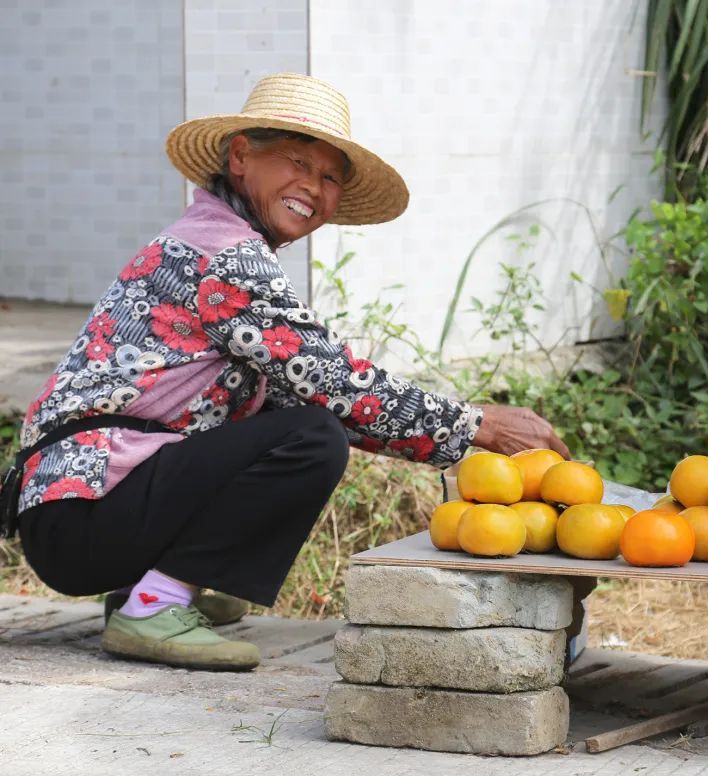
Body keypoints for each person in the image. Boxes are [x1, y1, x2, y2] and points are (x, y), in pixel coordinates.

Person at [6, 73, 570, 672]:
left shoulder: (218, 242)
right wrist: (477, 425)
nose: (314, 187)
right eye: (297, 162)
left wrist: (457, 433)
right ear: (242, 156)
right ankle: (154, 602)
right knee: (311, 440)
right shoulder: (226, 256)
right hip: (81, 513)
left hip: (82, 510)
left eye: (330, 177)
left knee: (305, 424)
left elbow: (318, 396)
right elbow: (333, 384)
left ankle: (157, 584)